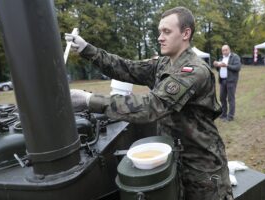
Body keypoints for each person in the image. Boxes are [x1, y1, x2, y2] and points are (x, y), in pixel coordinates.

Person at [66, 6, 233, 200]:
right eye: (159, 32)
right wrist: (87, 49)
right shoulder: (163, 63)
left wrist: (88, 100)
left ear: (186, 33)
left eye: (167, 32)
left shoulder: (194, 70)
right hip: (173, 158)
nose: (160, 37)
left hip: (201, 167)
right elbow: (126, 68)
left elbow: (151, 107)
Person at [213, 45, 241, 122]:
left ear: (229, 50)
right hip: (222, 81)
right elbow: (219, 70)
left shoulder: (235, 57)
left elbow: (238, 67)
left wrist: (227, 65)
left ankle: (230, 116)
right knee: (222, 98)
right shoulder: (221, 58)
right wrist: (216, 65)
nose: (224, 52)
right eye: (223, 50)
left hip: (231, 81)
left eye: (226, 50)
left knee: (230, 99)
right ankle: (224, 114)